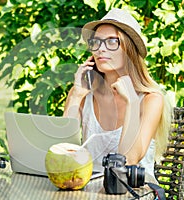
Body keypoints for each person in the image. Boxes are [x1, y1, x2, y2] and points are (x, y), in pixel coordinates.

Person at [63, 8, 172, 184]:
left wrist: (131, 102)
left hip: (135, 191)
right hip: (91, 190)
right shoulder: (84, 94)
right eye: (96, 42)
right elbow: (63, 151)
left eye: (112, 42)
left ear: (129, 49)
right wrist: (76, 94)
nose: (100, 49)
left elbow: (129, 159)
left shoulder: (151, 99)